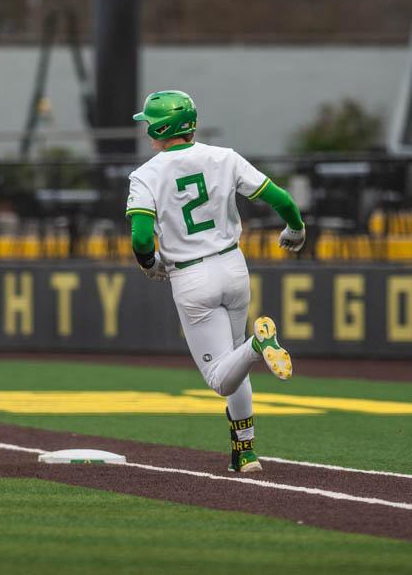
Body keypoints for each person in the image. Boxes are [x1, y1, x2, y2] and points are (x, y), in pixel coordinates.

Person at [126, 90, 306, 473]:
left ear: (161, 127)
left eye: (149, 124)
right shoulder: (225, 157)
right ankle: (245, 452)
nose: (147, 130)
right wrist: (295, 227)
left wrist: (147, 262)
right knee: (234, 360)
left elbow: (141, 237)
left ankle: (260, 344)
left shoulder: (145, 174)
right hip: (233, 265)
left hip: (191, 274)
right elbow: (282, 199)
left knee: (220, 378)